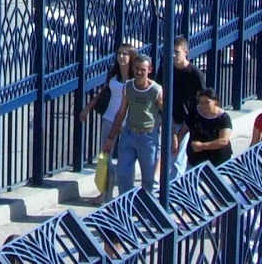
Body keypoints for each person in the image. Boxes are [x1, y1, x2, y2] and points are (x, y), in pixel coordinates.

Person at [79, 42, 136, 204]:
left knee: (127, 159)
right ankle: (105, 192)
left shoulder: (135, 75)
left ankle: (126, 193)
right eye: (119, 53)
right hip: (109, 118)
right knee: (105, 157)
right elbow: (103, 91)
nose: (121, 57)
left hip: (127, 122)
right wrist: (88, 107)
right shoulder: (113, 71)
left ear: (131, 57)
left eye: (125, 54)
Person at [104, 54, 163, 194]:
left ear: (149, 70)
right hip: (129, 134)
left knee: (148, 179)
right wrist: (111, 138)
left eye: (143, 69)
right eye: (136, 68)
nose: (139, 72)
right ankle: (126, 207)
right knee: (123, 174)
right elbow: (121, 112)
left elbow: (166, 114)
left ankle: (147, 211)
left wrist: (171, 137)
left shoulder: (156, 90)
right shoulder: (128, 86)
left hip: (148, 137)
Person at [169, 37, 204, 176]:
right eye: (171, 52)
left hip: (185, 120)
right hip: (168, 117)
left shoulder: (194, 73)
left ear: (186, 52)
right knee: (168, 154)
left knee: (178, 156)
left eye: (177, 52)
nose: (173, 55)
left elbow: (202, 98)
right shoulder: (167, 68)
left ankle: (174, 191)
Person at [183, 89, 233, 167]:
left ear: (215, 101)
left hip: (219, 162)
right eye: (201, 103)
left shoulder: (223, 118)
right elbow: (184, 129)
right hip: (196, 160)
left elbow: (223, 141)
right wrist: (176, 142)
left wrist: (202, 146)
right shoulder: (194, 114)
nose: (204, 106)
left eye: (207, 102)